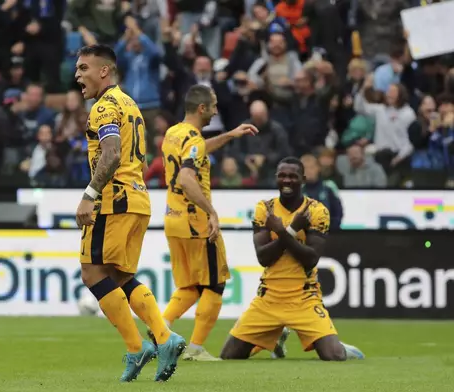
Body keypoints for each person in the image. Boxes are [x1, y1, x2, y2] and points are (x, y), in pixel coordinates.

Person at [73, 44, 185, 382]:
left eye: (83, 68)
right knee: (118, 276)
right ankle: (162, 339)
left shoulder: (104, 107)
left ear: (103, 70)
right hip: (137, 199)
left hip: (114, 200)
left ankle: (145, 345)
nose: (78, 75)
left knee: (92, 273)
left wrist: (89, 195)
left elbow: (111, 154)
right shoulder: (130, 104)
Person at [219, 157, 364, 361]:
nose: (287, 180)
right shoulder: (265, 209)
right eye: (282, 176)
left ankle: (343, 348)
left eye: (293, 176)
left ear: (303, 179)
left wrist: (283, 231)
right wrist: (292, 230)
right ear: (276, 178)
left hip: (303, 297)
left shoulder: (316, 211)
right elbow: (264, 258)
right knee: (229, 356)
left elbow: (311, 259)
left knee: (333, 356)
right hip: (269, 297)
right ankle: (274, 338)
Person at [152, 84, 259, 361]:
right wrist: (211, 211)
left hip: (172, 219)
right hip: (196, 222)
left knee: (190, 286)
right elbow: (187, 178)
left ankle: (159, 329)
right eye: (212, 107)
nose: (214, 112)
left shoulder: (174, 133)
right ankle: (196, 349)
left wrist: (230, 135)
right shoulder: (193, 139)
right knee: (215, 285)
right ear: (202, 109)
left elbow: (196, 151)